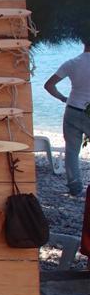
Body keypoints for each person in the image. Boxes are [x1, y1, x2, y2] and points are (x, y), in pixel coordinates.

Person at [44, 38, 90, 197]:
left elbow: (49, 85)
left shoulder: (72, 63)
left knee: (71, 151)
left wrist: (63, 98)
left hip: (72, 110)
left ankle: (75, 188)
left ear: (84, 43)